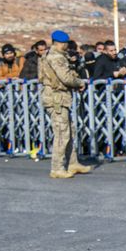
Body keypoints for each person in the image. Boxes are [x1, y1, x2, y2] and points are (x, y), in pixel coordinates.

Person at [38, 30, 91, 179]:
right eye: (66, 43)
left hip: (60, 97)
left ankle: (72, 163)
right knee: (62, 133)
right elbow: (65, 77)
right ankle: (57, 167)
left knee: (70, 131)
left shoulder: (55, 56)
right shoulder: (56, 57)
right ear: (60, 43)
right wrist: (79, 82)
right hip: (56, 98)